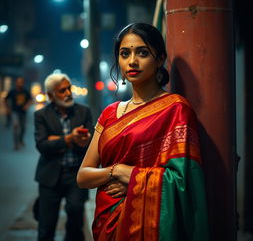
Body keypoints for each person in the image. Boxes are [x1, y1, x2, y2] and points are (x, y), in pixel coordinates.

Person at [77, 23, 209, 240]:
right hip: (108, 222)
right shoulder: (110, 113)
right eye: (124, 53)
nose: (132, 61)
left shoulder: (176, 109)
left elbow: (184, 181)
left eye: (142, 52)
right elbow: (83, 176)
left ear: (159, 59)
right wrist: (117, 171)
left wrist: (132, 180)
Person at [34, 73, 93, 241]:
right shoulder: (41, 115)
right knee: (46, 226)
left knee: (75, 219)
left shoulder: (84, 112)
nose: (68, 93)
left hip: (76, 175)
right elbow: (42, 146)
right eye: (62, 90)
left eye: (69, 88)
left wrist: (81, 141)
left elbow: (91, 142)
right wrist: (69, 139)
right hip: (49, 176)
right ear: (51, 95)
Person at [4, 76, 33, 150]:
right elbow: (6, 99)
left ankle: (20, 139)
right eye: (18, 82)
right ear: (16, 83)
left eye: (21, 82)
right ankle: (16, 144)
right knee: (16, 126)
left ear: (23, 83)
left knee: (23, 128)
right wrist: (7, 108)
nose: (20, 84)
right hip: (14, 111)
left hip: (23, 112)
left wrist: (27, 105)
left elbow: (30, 100)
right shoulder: (12, 91)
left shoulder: (25, 91)